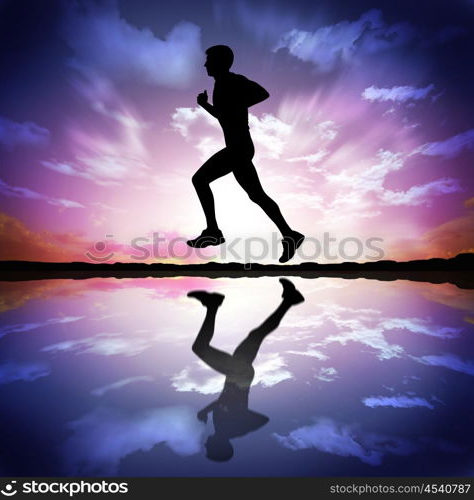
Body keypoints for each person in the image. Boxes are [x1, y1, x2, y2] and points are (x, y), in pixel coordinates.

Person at [187, 45, 305, 263]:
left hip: (238, 148)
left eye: (209, 60)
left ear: (219, 62)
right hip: (239, 147)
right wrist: (205, 106)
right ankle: (290, 235)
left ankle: (213, 231)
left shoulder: (232, 80)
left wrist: (239, 103)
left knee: (199, 179)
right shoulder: (220, 84)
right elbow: (224, 115)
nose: (205, 64)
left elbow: (263, 93)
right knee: (256, 195)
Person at [188, 278, 305, 461]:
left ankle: (289, 300)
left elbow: (222, 402)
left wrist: (206, 410)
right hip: (237, 374)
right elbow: (261, 420)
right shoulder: (229, 430)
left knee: (256, 335)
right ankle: (213, 305)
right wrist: (241, 418)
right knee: (200, 347)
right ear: (219, 447)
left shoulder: (222, 428)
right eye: (209, 449)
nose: (205, 445)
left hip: (238, 375)